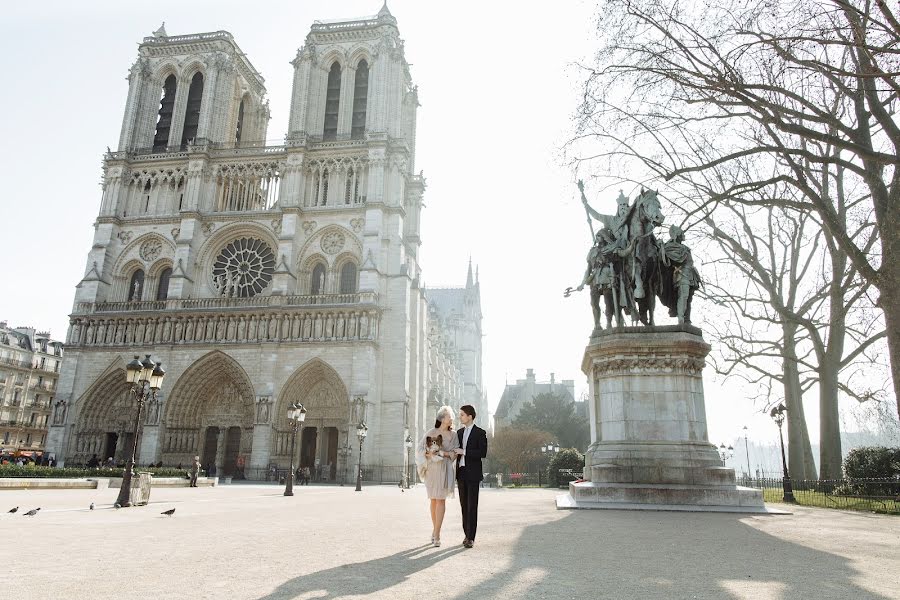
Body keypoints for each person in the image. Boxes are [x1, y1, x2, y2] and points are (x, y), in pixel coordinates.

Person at [415, 405, 460, 547]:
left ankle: (437, 534)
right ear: (442, 418)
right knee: (433, 501)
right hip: (431, 470)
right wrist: (428, 453)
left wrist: (443, 453)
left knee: (441, 500)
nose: (451, 418)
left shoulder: (454, 435)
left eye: (451, 416)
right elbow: (420, 448)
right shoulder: (431, 432)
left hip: (444, 469)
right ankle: (435, 531)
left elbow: (455, 454)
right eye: (449, 416)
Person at [454, 404, 488, 549]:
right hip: (461, 473)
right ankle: (466, 534)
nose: (460, 417)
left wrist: (464, 451)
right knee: (463, 506)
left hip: (473, 474)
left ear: (470, 416)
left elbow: (482, 453)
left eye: (462, 414)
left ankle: (471, 537)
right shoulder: (459, 433)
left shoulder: (480, 433)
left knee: (472, 506)